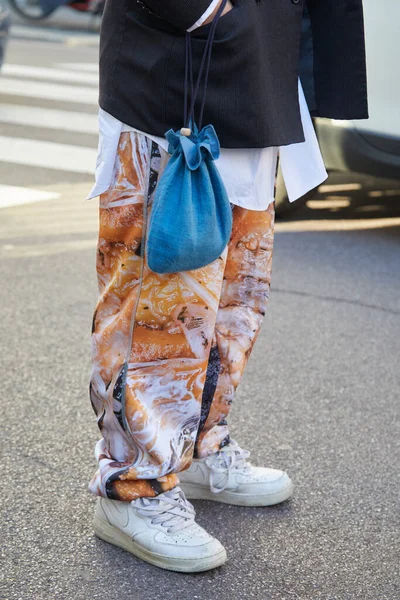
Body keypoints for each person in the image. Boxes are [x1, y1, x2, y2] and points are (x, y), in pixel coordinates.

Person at [87, 0, 368, 573]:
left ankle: (197, 446)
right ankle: (136, 483)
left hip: (258, 66)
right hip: (172, 65)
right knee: (162, 308)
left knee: (236, 298)